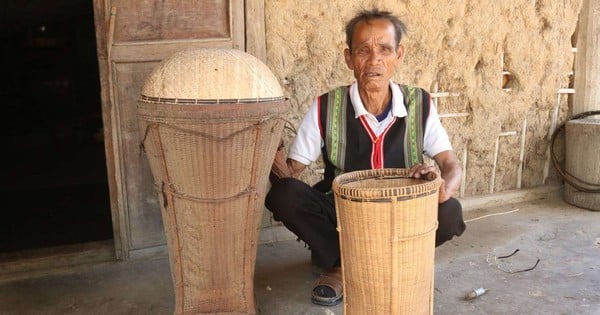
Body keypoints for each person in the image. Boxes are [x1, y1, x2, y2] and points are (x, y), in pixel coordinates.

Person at [265, 8, 466, 307]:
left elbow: (451, 165)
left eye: (385, 49)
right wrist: (270, 155)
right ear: (349, 58)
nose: (374, 60)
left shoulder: (419, 103)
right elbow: (292, 172)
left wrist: (442, 188)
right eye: (363, 50)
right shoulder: (325, 106)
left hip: (401, 217)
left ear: (399, 55)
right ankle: (360, 263)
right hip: (342, 218)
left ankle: (342, 267)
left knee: (450, 214)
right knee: (284, 195)